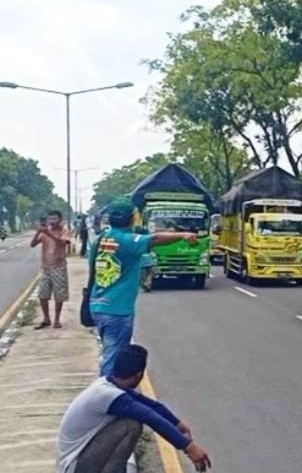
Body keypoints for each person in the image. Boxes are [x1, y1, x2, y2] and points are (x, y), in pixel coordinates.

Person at [56, 345, 212, 473]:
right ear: (139, 375)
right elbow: (149, 416)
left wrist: (177, 424)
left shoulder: (110, 385)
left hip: (81, 458)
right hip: (76, 466)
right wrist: (188, 447)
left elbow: (151, 405)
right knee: (130, 425)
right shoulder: (108, 395)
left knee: (132, 420)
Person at [90, 198, 197, 376]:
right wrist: (183, 235)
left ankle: (110, 386)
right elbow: (155, 239)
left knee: (110, 351)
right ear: (132, 218)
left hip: (98, 305)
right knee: (113, 357)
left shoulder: (100, 239)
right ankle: (107, 389)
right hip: (117, 309)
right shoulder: (127, 241)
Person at [30, 210, 71, 329]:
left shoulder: (64, 231)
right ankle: (46, 318)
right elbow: (32, 244)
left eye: (54, 219)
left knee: (59, 294)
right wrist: (38, 232)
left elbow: (62, 243)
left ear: (60, 220)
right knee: (42, 294)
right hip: (45, 267)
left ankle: (57, 319)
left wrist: (48, 233)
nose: (52, 221)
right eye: (50, 219)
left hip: (59, 266)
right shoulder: (45, 231)